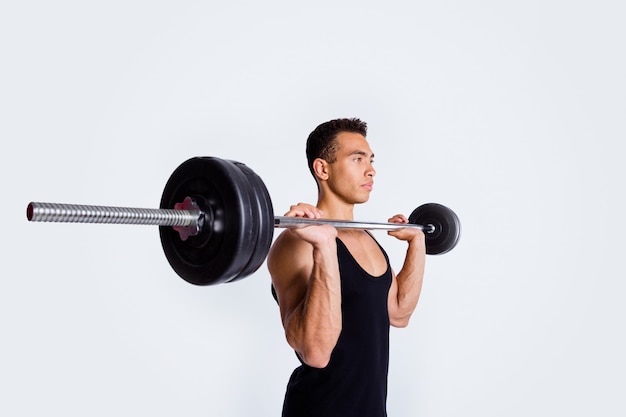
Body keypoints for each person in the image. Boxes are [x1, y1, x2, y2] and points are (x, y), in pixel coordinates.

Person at [267, 118, 426, 417]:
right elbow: (314, 352)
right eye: (357, 159)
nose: (371, 170)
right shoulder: (295, 243)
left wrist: (417, 244)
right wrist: (325, 246)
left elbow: (398, 313)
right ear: (323, 169)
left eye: (370, 160)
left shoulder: (367, 238)